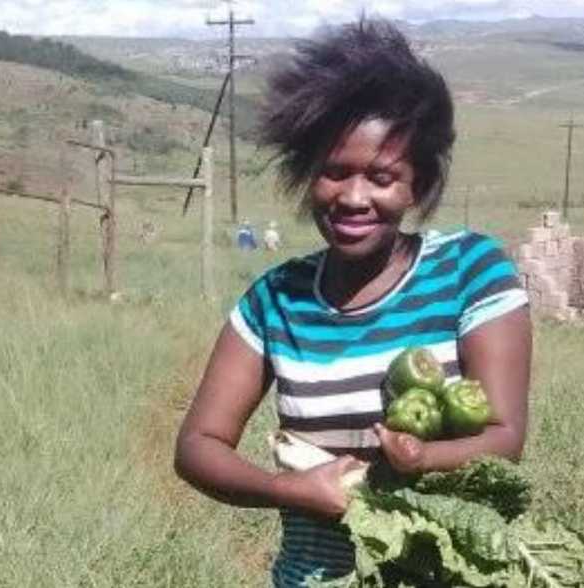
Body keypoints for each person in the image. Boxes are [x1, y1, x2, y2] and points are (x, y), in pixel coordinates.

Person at [174, 17, 531, 587]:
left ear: (419, 183)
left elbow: (503, 438)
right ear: (305, 174)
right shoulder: (275, 300)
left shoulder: (471, 271)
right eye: (333, 173)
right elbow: (197, 446)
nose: (353, 197)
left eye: (382, 177)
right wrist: (288, 490)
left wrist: (417, 458)